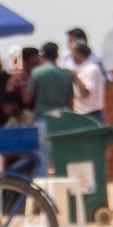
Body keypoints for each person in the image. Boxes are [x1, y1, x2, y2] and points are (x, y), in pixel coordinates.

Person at [27, 42, 75, 174]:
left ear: (42, 56)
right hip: (62, 121)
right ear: (57, 56)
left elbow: (27, 98)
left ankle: (42, 193)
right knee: (62, 159)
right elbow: (71, 103)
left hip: (43, 120)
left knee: (42, 158)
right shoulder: (66, 75)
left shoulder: (37, 72)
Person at [70, 40, 105, 122]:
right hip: (83, 115)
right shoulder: (82, 69)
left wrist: (75, 77)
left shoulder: (90, 69)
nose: (72, 56)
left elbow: (86, 93)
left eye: (73, 53)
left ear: (78, 54)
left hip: (91, 116)